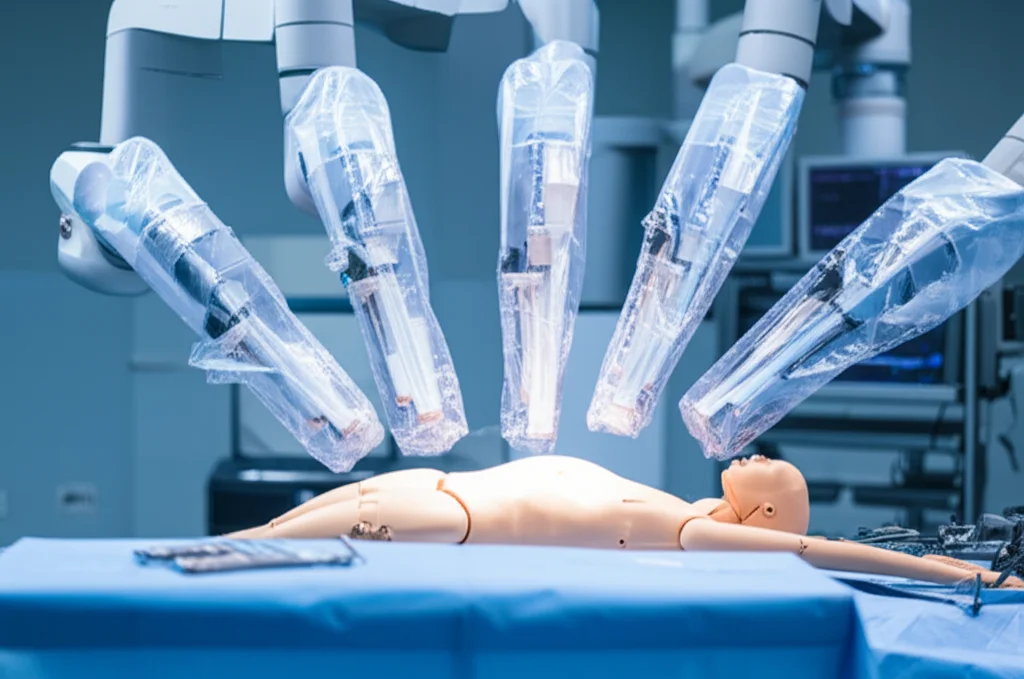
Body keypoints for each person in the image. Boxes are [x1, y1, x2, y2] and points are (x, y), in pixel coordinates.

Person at [229, 454, 1021, 588]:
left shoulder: (688, 534)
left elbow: (826, 549)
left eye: (767, 464)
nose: (754, 451)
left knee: (238, 548)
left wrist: (973, 574)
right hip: (435, 486)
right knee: (247, 536)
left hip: (447, 515)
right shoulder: (681, 508)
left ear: (767, 511)